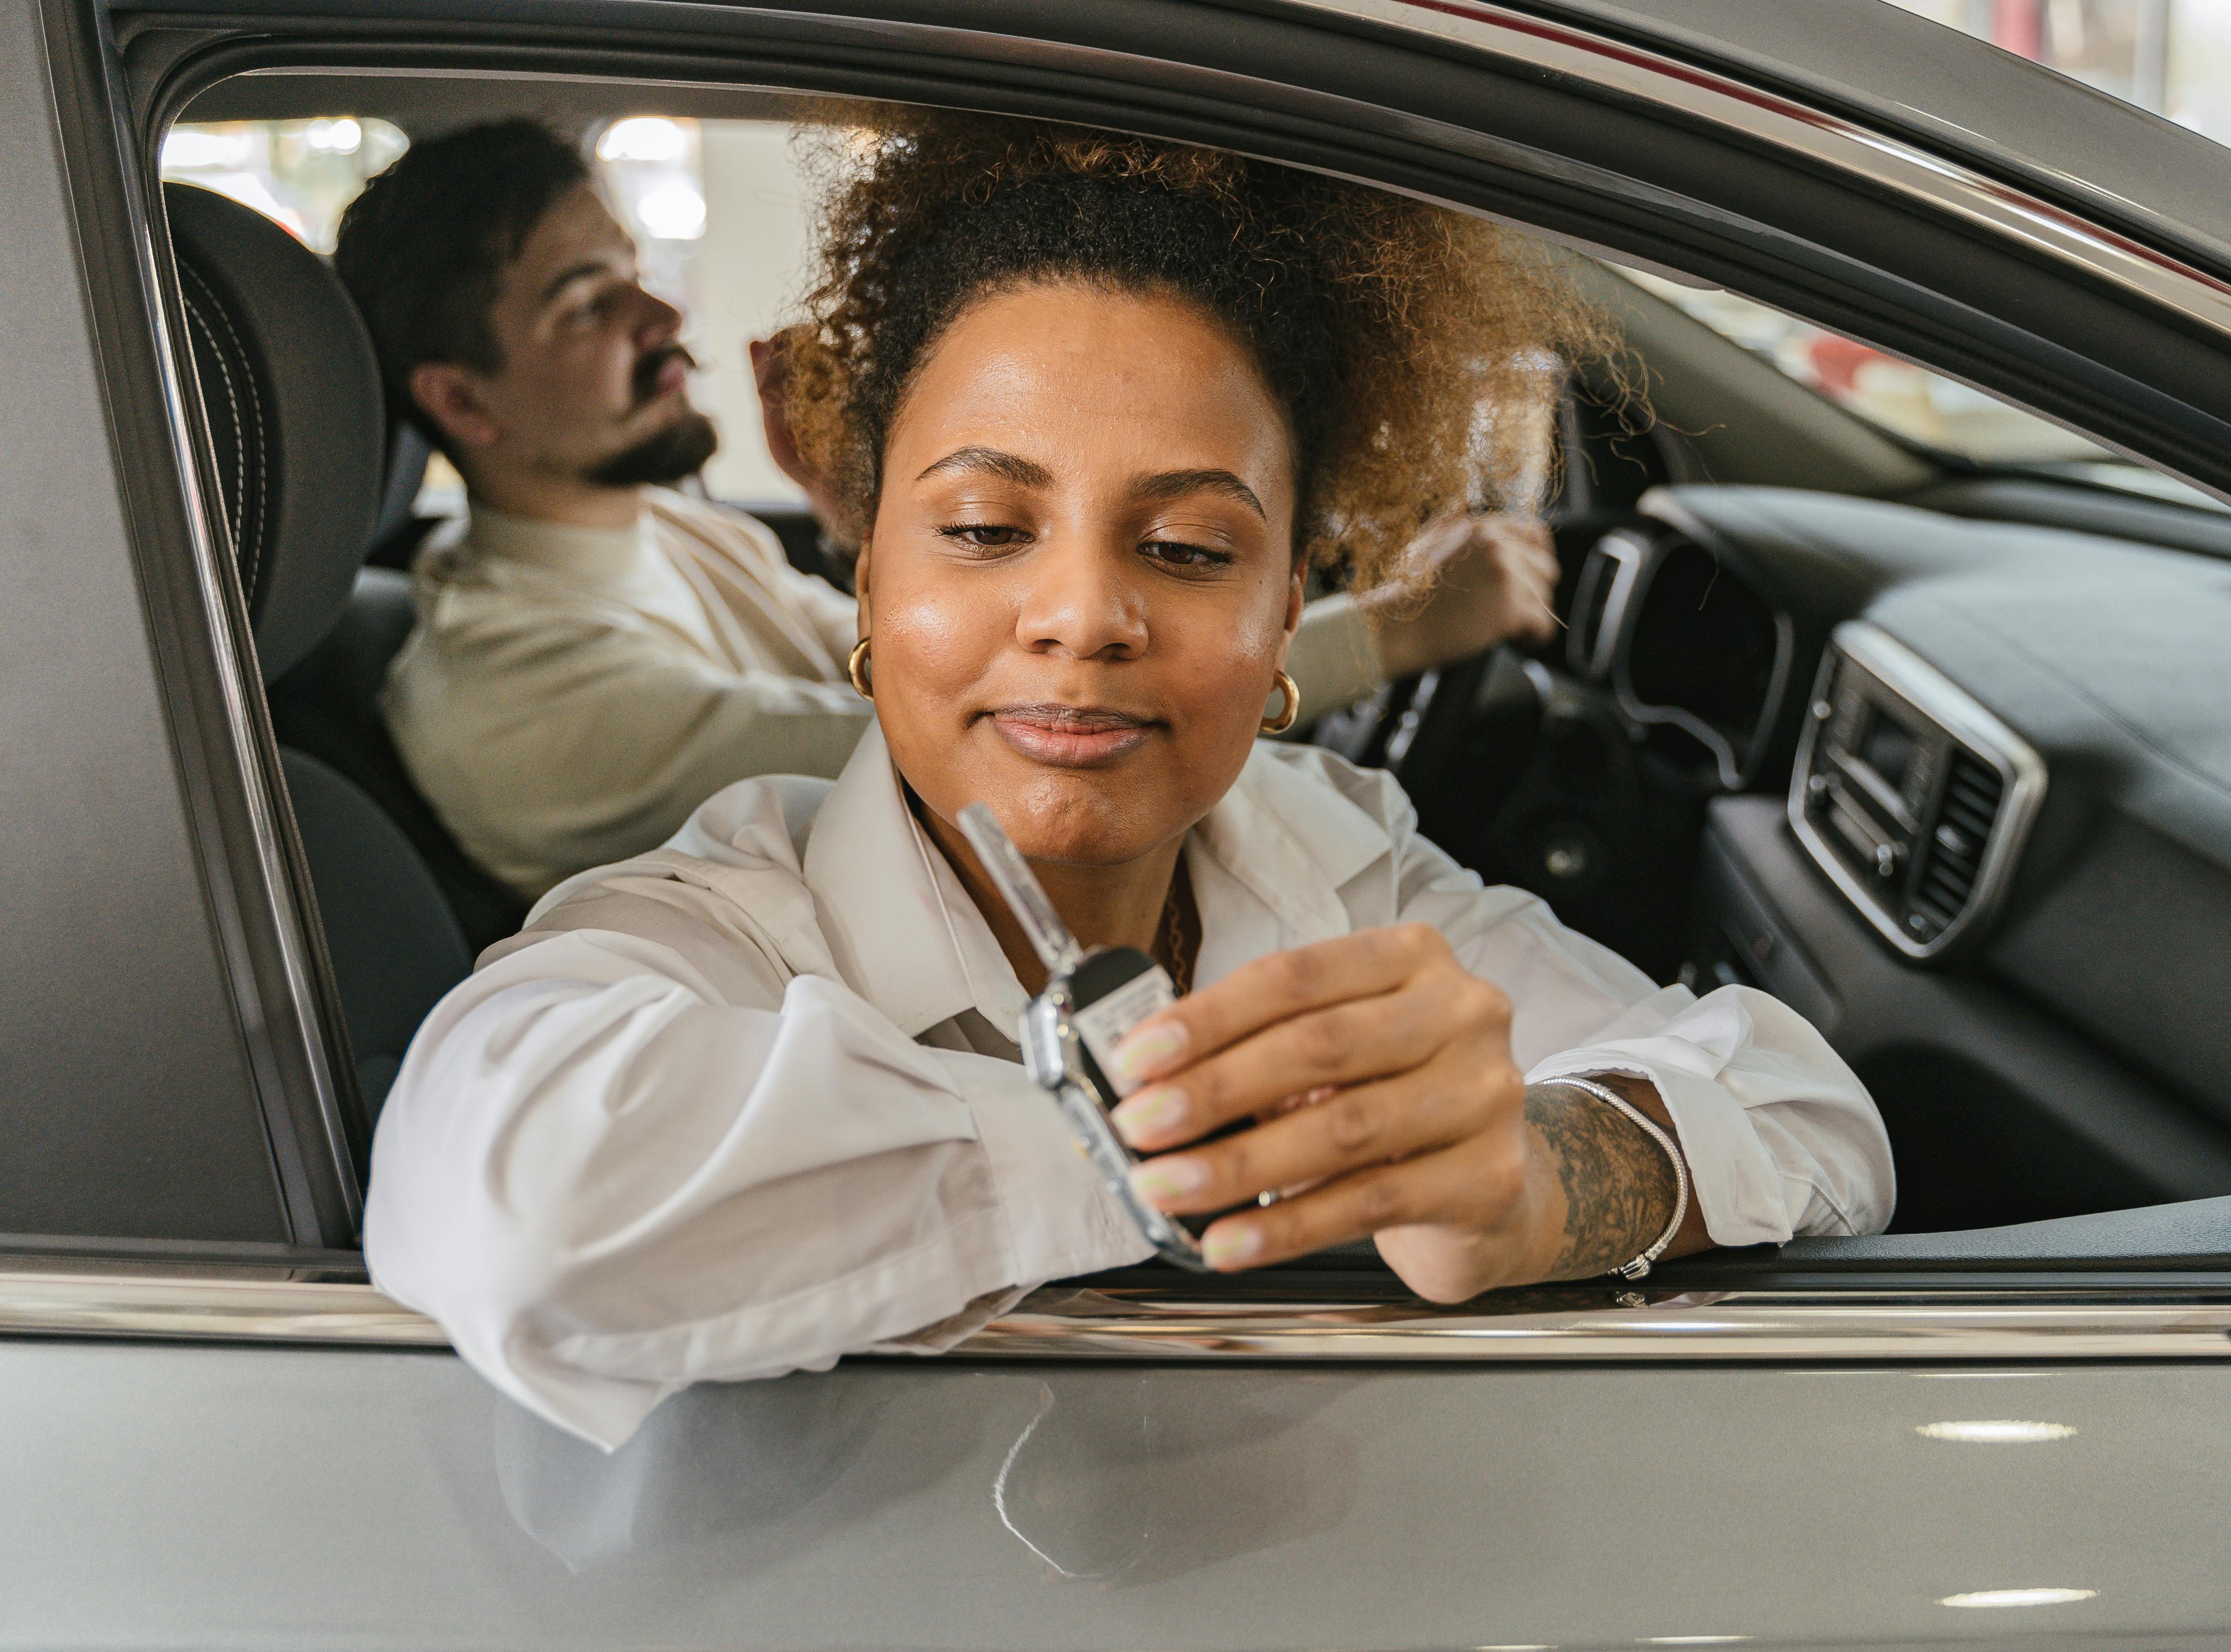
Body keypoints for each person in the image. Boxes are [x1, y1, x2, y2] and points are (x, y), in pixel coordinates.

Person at [363, 110, 1894, 1450]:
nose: (1084, 616)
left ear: (1289, 600)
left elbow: (1812, 1114)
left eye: (1185, 549)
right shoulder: (716, 923)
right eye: (979, 529)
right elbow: (517, 1204)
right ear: (866, 572)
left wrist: (1530, 1173)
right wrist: (1230, 1156)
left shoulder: (1332, 855)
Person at [333, 118, 1564, 902]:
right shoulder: (518, 704)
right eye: (588, 305)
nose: (662, 323)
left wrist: (867, 518)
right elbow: (954, 747)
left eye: (641, 276)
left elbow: (873, 663)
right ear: (463, 401)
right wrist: (1397, 631)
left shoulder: (670, 535)